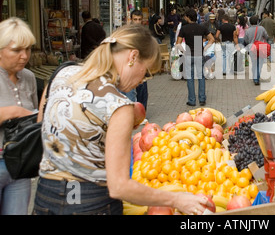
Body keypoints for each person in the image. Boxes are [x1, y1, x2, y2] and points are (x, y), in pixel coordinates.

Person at [33, 24, 212, 215]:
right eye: (146, 72)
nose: (142, 80)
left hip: (46, 196)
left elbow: (42, 130)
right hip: (91, 202)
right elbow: (119, 186)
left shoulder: (61, 74)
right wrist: (177, 199)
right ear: (133, 57)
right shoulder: (118, 105)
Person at [0, 17, 38, 215]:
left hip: (21, 164)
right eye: (16, 50)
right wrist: (12, 112)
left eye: (28, 49)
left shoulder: (29, 77)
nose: (24, 56)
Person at [176, 8, 215, 107]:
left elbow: (178, 43)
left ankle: (192, 100)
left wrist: (184, 51)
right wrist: (205, 48)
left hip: (189, 55)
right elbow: (212, 39)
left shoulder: (184, 29)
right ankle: (202, 99)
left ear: (188, 17)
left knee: (190, 78)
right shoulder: (201, 28)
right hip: (199, 54)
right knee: (201, 77)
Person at [127, 9, 148, 111]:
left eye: (139, 19)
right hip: (131, 64)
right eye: (135, 19)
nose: (137, 22)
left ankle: (142, 110)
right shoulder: (128, 32)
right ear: (131, 19)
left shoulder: (144, 32)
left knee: (142, 89)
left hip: (141, 63)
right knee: (132, 90)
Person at [244, 15, 268, 85]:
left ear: (250, 22)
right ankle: (257, 78)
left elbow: (246, 40)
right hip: (261, 47)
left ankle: (255, 77)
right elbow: (266, 36)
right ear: (257, 21)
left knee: (254, 63)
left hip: (252, 47)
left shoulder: (248, 30)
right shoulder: (261, 28)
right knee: (260, 63)